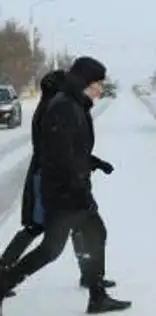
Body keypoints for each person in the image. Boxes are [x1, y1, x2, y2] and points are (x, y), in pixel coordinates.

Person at [0, 57, 131, 314]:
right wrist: (76, 187)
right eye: (97, 84)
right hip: (65, 193)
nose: (100, 89)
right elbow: (58, 157)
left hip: (71, 189)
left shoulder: (75, 105)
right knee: (50, 249)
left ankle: (96, 294)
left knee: (94, 234)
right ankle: (3, 284)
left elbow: (73, 150)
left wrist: (94, 162)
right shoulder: (64, 108)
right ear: (84, 82)